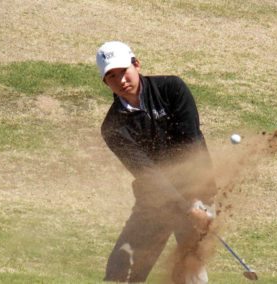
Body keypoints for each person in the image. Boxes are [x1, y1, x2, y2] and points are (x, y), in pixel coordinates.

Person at [96, 41, 217, 284]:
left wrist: (195, 200)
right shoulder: (113, 127)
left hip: (196, 190)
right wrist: (183, 206)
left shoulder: (171, 89)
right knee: (120, 270)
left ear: (137, 64)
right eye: (111, 75)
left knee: (190, 273)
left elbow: (191, 143)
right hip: (154, 200)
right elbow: (147, 173)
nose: (120, 80)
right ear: (105, 82)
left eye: (123, 71)